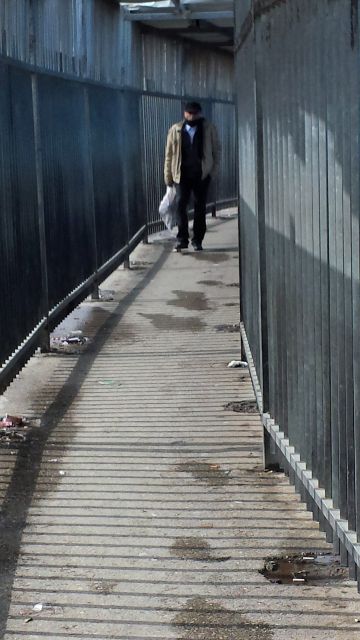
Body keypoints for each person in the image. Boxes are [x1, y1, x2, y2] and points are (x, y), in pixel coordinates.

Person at [164, 101, 221, 251]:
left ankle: (197, 239)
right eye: (190, 113)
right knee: (180, 205)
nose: (192, 115)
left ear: (200, 113)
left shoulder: (208, 128)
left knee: (199, 206)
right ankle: (182, 238)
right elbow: (169, 155)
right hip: (181, 175)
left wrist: (212, 172)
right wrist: (168, 176)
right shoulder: (176, 130)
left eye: (195, 113)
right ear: (184, 113)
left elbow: (217, 151)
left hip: (201, 174)